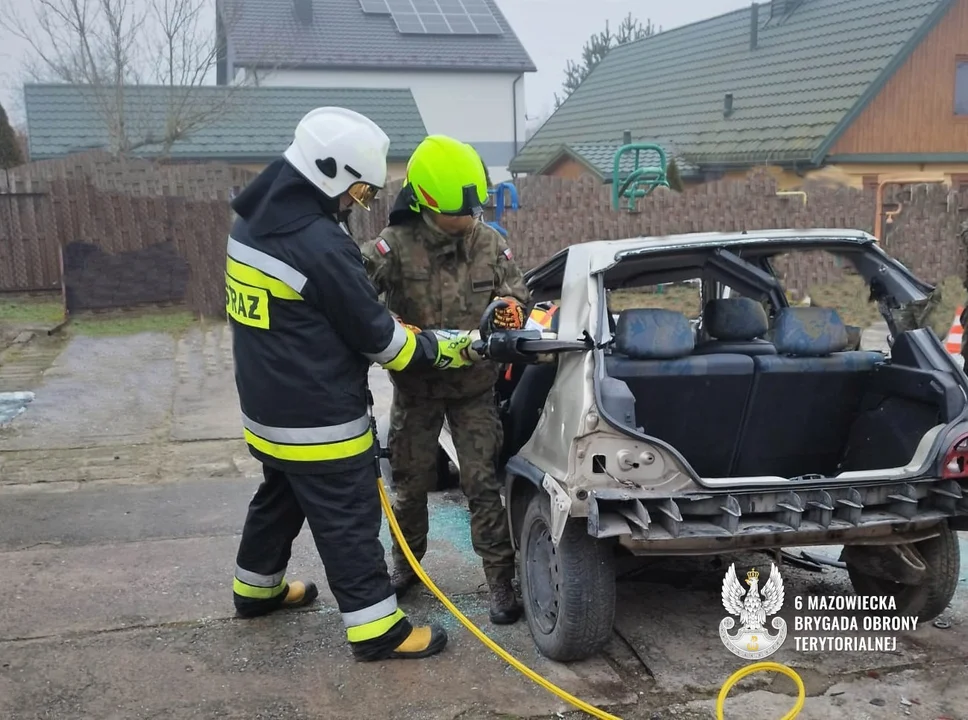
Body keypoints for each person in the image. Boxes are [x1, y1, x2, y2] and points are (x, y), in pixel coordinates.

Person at [226, 107, 480, 662]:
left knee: (282, 494)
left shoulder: (253, 219)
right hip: (318, 418)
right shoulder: (318, 245)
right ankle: (376, 630)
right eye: (356, 189)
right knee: (349, 515)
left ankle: (255, 588)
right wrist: (448, 346)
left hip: (267, 407)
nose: (356, 201)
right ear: (328, 172)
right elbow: (384, 342)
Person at [360, 135, 531, 625]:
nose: (471, 218)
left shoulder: (490, 243)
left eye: (476, 209)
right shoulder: (395, 246)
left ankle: (500, 579)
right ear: (430, 205)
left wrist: (512, 315)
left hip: (475, 390)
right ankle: (407, 567)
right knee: (411, 487)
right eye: (463, 211)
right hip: (416, 390)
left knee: (482, 483)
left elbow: (517, 293)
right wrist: (385, 333)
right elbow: (353, 297)